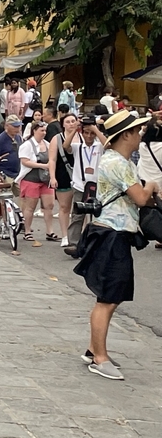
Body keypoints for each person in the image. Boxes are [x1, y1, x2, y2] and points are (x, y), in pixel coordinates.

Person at [73, 110, 156, 380]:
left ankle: (92, 349)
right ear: (127, 135)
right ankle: (100, 357)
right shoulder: (118, 163)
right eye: (137, 130)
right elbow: (141, 198)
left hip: (112, 233)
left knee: (112, 296)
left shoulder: (118, 160)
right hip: (111, 235)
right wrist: (153, 184)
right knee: (107, 299)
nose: (140, 134)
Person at [64, 117, 106, 253]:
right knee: (77, 215)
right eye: (86, 133)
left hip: (96, 186)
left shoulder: (99, 147)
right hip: (79, 185)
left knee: (98, 215)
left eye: (91, 133)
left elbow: (108, 144)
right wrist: (75, 129)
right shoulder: (78, 147)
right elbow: (66, 145)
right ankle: (74, 243)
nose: (89, 136)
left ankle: (97, 243)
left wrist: (95, 129)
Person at [17, 120, 57, 247]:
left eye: (45, 131)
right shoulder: (27, 145)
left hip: (45, 180)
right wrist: (42, 165)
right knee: (30, 206)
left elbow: (52, 161)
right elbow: (25, 161)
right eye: (41, 131)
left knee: (49, 205)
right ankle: (27, 230)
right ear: (34, 131)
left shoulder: (47, 144)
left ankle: (50, 231)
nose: (44, 133)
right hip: (31, 178)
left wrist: (52, 175)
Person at [47, 113, 79, 247]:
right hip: (63, 173)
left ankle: (78, 235)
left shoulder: (83, 137)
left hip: (80, 175)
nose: (71, 124)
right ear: (63, 124)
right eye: (68, 122)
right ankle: (65, 235)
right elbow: (52, 160)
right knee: (64, 207)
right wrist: (52, 177)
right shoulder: (57, 138)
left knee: (79, 209)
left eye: (73, 121)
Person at [137, 97, 162, 250]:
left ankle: (158, 235)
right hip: (160, 182)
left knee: (152, 211)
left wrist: (150, 121)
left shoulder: (142, 146)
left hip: (145, 181)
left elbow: (140, 133)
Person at [0, 116, 23, 190]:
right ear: (7, 126)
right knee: (6, 196)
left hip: (18, 172)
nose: (17, 128)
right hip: (5, 173)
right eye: (15, 126)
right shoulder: (1, 139)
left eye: (19, 126)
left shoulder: (18, 137)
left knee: (23, 195)